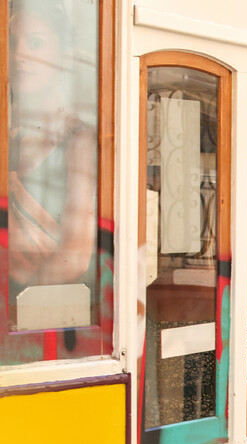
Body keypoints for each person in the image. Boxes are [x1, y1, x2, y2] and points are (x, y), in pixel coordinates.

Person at [7, 0, 97, 326]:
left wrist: (16, 305)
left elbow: (74, 256)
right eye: (12, 43)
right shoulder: (9, 138)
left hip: (52, 322)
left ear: (64, 56)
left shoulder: (80, 141)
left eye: (35, 43)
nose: (19, 55)